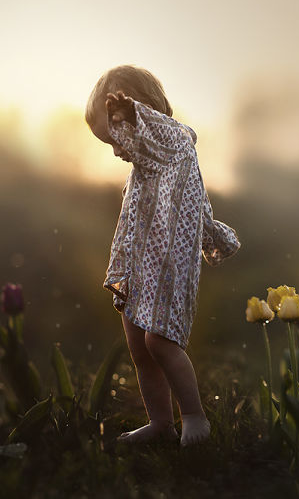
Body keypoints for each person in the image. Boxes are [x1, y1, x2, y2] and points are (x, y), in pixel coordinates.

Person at [85, 65, 240, 446]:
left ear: (142, 116)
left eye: (116, 138)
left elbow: (157, 132)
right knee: (139, 346)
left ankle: (194, 416)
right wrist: (129, 122)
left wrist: (131, 115)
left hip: (170, 264)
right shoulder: (147, 162)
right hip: (141, 266)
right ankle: (160, 423)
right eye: (110, 144)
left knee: (160, 342)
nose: (117, 151)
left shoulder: (175, 142)